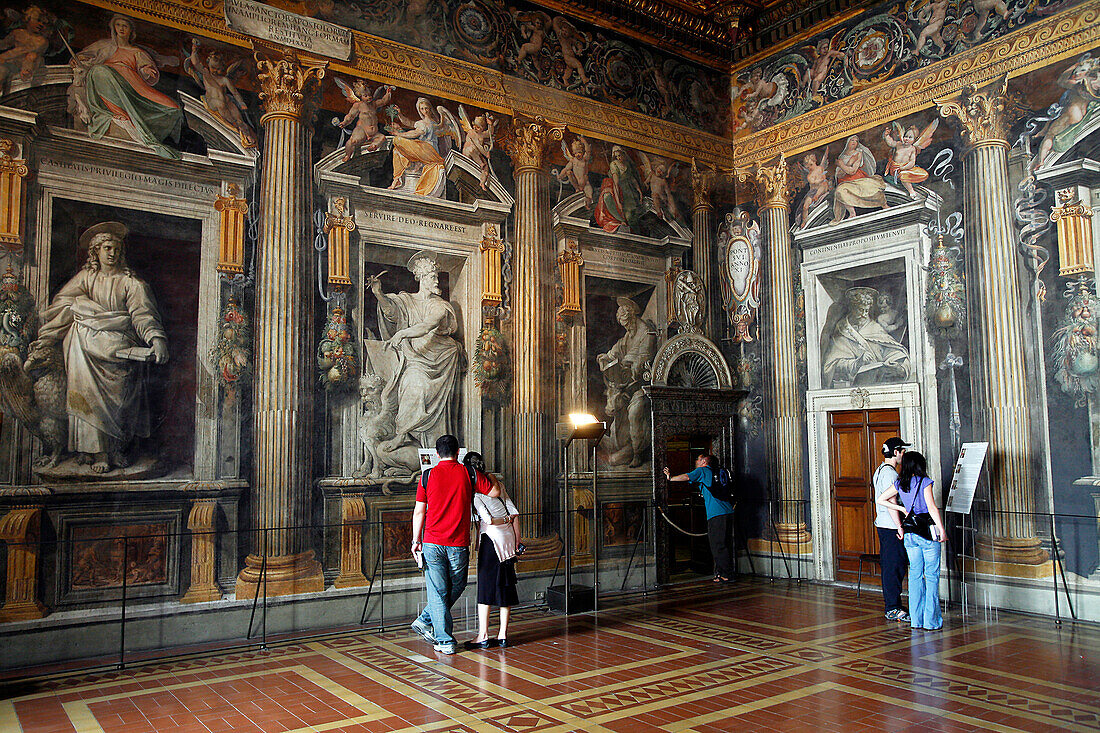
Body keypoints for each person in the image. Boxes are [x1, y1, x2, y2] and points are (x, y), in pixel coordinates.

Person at [32, 222, 169, 474]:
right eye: (107, 248)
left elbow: (143, 314)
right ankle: (98, 452)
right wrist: (82, 305)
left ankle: (116, 448)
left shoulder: (131, 283)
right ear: (95, 251)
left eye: (116, 248)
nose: (112, 253)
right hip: (83, 351)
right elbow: (62, 302)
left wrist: (155, 338)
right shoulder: (87, 277)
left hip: (118, 349)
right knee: (87, 399)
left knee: (121, 402)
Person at [369, 252, 463, 463]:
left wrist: (402, 333)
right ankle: (405, 435)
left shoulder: (439, 305)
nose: (436, 280)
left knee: (417, 385)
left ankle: (414, 439)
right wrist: (379, 294)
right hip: (415, 358)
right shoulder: (406, 300)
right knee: (412, 383)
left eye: (437, 276)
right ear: (421, 278)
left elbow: (427, 325)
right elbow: (392, 313)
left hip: (440, 361)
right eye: (432, 277)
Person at [410, 435, 500, 654]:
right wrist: (488, 475)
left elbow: (420, 511)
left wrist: (415, 540)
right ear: (458, 452)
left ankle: (425, 620)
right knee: (455, 585)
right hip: (458, 542)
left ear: (437, 454)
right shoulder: (469, 473)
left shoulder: (427, 475)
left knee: (440, 590)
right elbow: (495, 492)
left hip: (431, 541)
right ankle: (445, 639)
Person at [67, 15, 183, 159]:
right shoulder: (104, 46)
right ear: (113, 28)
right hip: (106, 81)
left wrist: (146, 71)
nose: (121, 28)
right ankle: (118, 112)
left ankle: (138, 121)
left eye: (125, 26)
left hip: (133, 86)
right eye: (118, 25)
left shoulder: (137, 52)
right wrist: (81, 61)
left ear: (131, 31)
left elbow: (149, 71)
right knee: (99, 71)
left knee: (173, 108)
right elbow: (80, 58)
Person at [877, 450, 946, 631]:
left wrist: (901, 508)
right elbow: (931, 508)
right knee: (931, 577)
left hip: (909, 534)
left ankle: (916, 620)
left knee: (915, 576)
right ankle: (931, 621)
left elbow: (881, 499)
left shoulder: (900, 482)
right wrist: (941, 530)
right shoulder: (925, 482)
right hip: (926, 533)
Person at [463, 451, 520, 650]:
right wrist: (516, 541)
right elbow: (514, 513)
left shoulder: (476, 493)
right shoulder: (499, 486)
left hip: (490, 541)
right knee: (505, 585)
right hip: (508, 542)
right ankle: (503, 634)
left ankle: (483, 635)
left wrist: (498, 521)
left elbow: (486, 520)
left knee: (486, 587)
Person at [597, 297, 657, 467]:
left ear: (631, 317)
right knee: (612, 403)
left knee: (634, 412)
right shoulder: (628, 335)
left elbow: (643, 362)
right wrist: (606, 358)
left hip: (643, 388)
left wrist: (628, 370)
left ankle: (637, 453)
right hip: (625, 385)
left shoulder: (646, 334)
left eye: (627, 324)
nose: (626, 328)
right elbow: (616, 350)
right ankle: (619, 445)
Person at [664, 454, 735, 583]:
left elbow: (687, 476)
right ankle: (720, 573)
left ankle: (727, 574)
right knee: (724, 543)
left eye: (697, 459)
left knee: (717, 545)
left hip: (716, 513)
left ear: (703, 461)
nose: (695, 461)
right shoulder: (717, 472)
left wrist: (671, 478)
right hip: (728, 511)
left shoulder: (702, 471)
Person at [821, 287, 911, 388]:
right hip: (850, 387)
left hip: (878, 385)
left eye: (866, 310)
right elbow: (831, 365)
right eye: (860, 310)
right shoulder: (841, 330)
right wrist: (857, 362)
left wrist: (901, 367)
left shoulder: (875, 328)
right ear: (852, 308)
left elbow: (895, 352)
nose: (864, 314)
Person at [872, 437, 910, 623]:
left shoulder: (879, 470)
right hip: (890, 525)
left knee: (891, 566)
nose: (903, 454)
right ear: (896, 452)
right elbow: (891, 502)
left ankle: (893, 605)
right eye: (902, 451)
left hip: (883, 524)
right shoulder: (891, 475)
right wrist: (900, 526)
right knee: (894, 567)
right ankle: (893, 607)